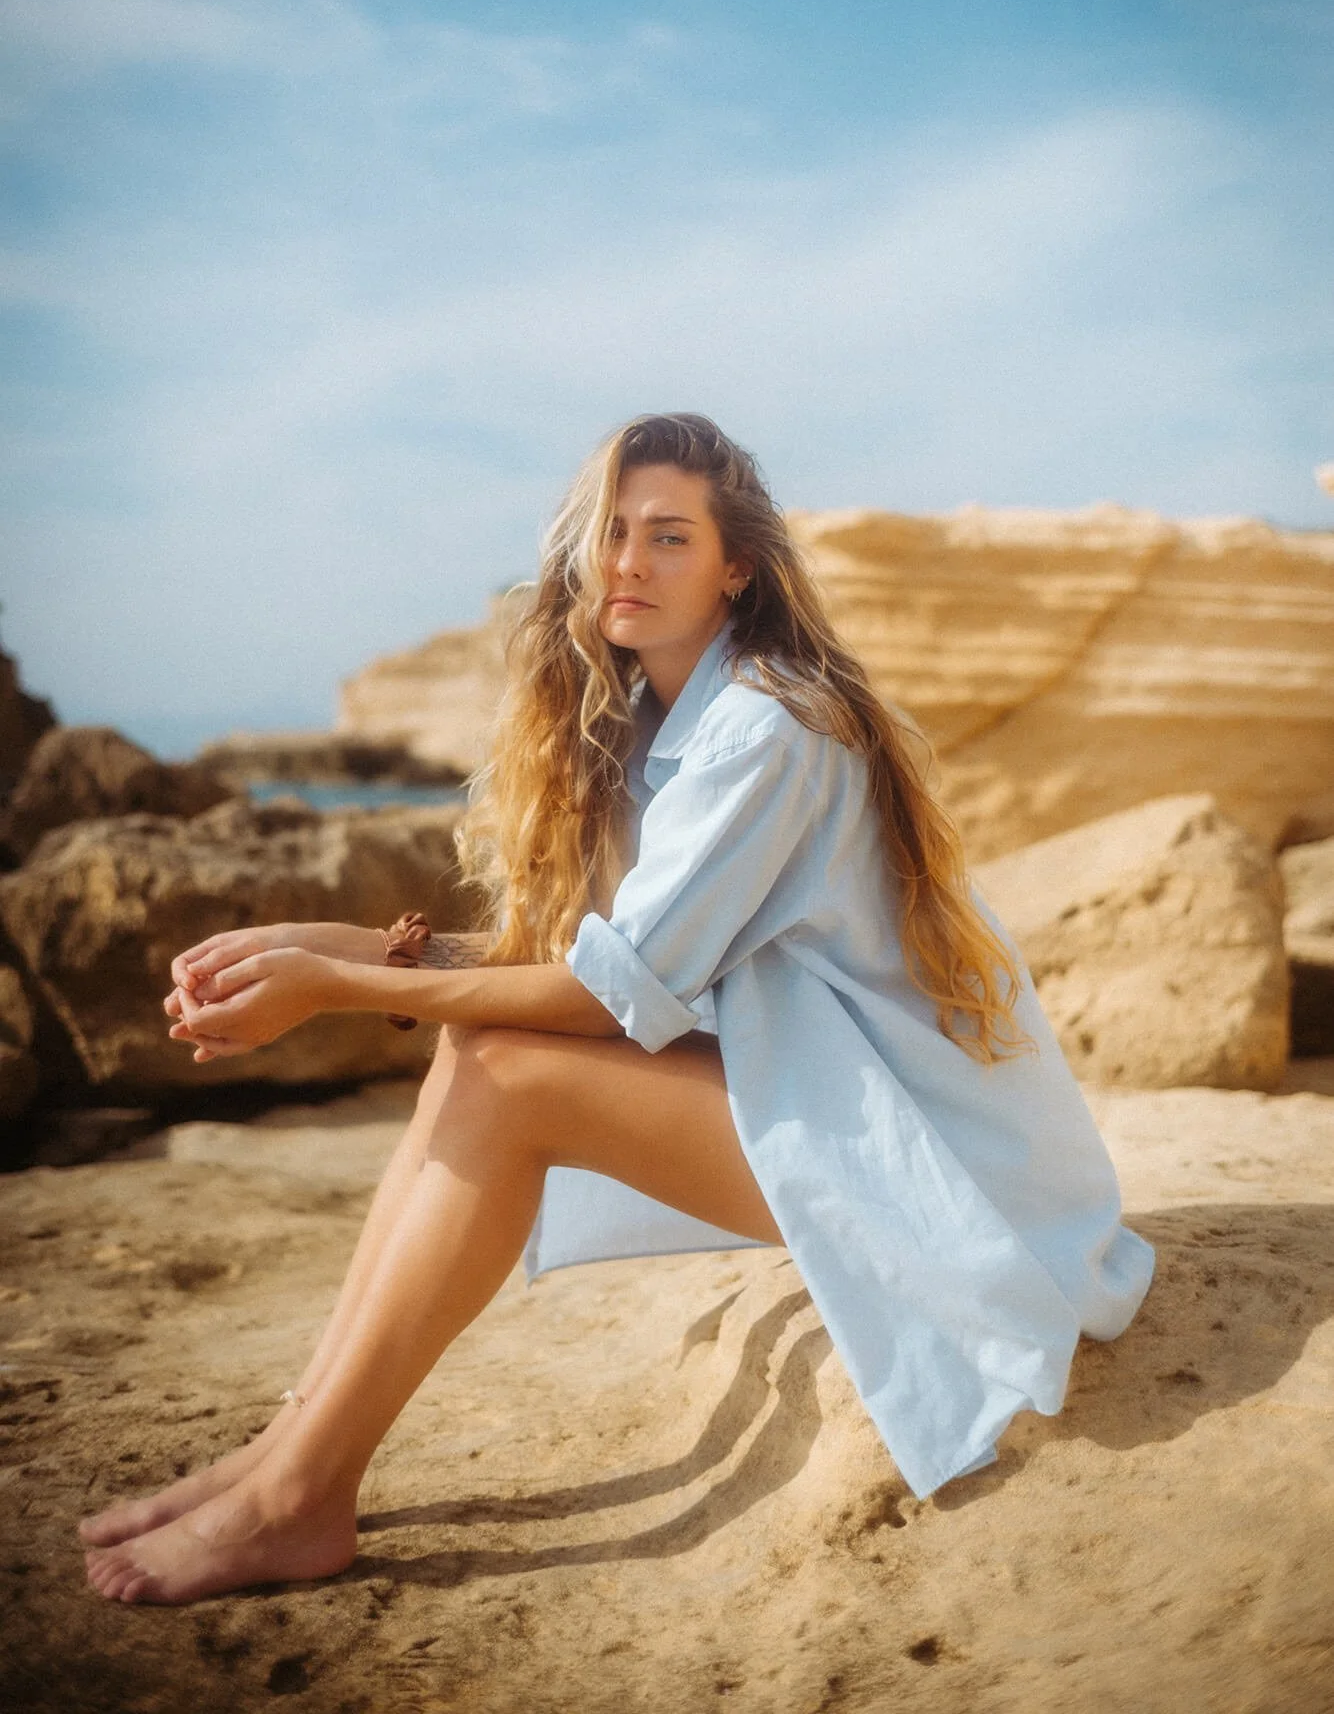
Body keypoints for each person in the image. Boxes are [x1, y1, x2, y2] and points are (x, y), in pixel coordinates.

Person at [81, 411, 1154, 1607]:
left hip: (954, 1178)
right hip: (845, 1108)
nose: (627, 561)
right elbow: (600, 960)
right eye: (611, 532)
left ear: (734, 566)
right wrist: (332, 944)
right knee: (480, 1046)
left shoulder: (768, 726)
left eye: (667, 536)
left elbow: (607, 997)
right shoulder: (658, 717)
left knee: (504, 1072)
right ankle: (284, 1456)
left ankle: (298, 1497)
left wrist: (337, 990)